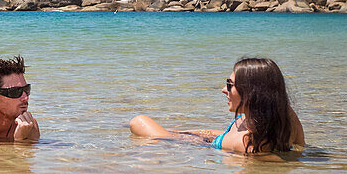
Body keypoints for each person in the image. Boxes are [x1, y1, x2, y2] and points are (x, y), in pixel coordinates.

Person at [128, 57, 304, 155]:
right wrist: (183, 131)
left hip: (200, 147)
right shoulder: (284, 116)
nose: (223, 90)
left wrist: (173, 136)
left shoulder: (243, 144)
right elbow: (300, 149)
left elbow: (219, 146)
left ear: (251, 93)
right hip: (215, 139)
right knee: (185, 131)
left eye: (230, 84)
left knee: (138, 121)